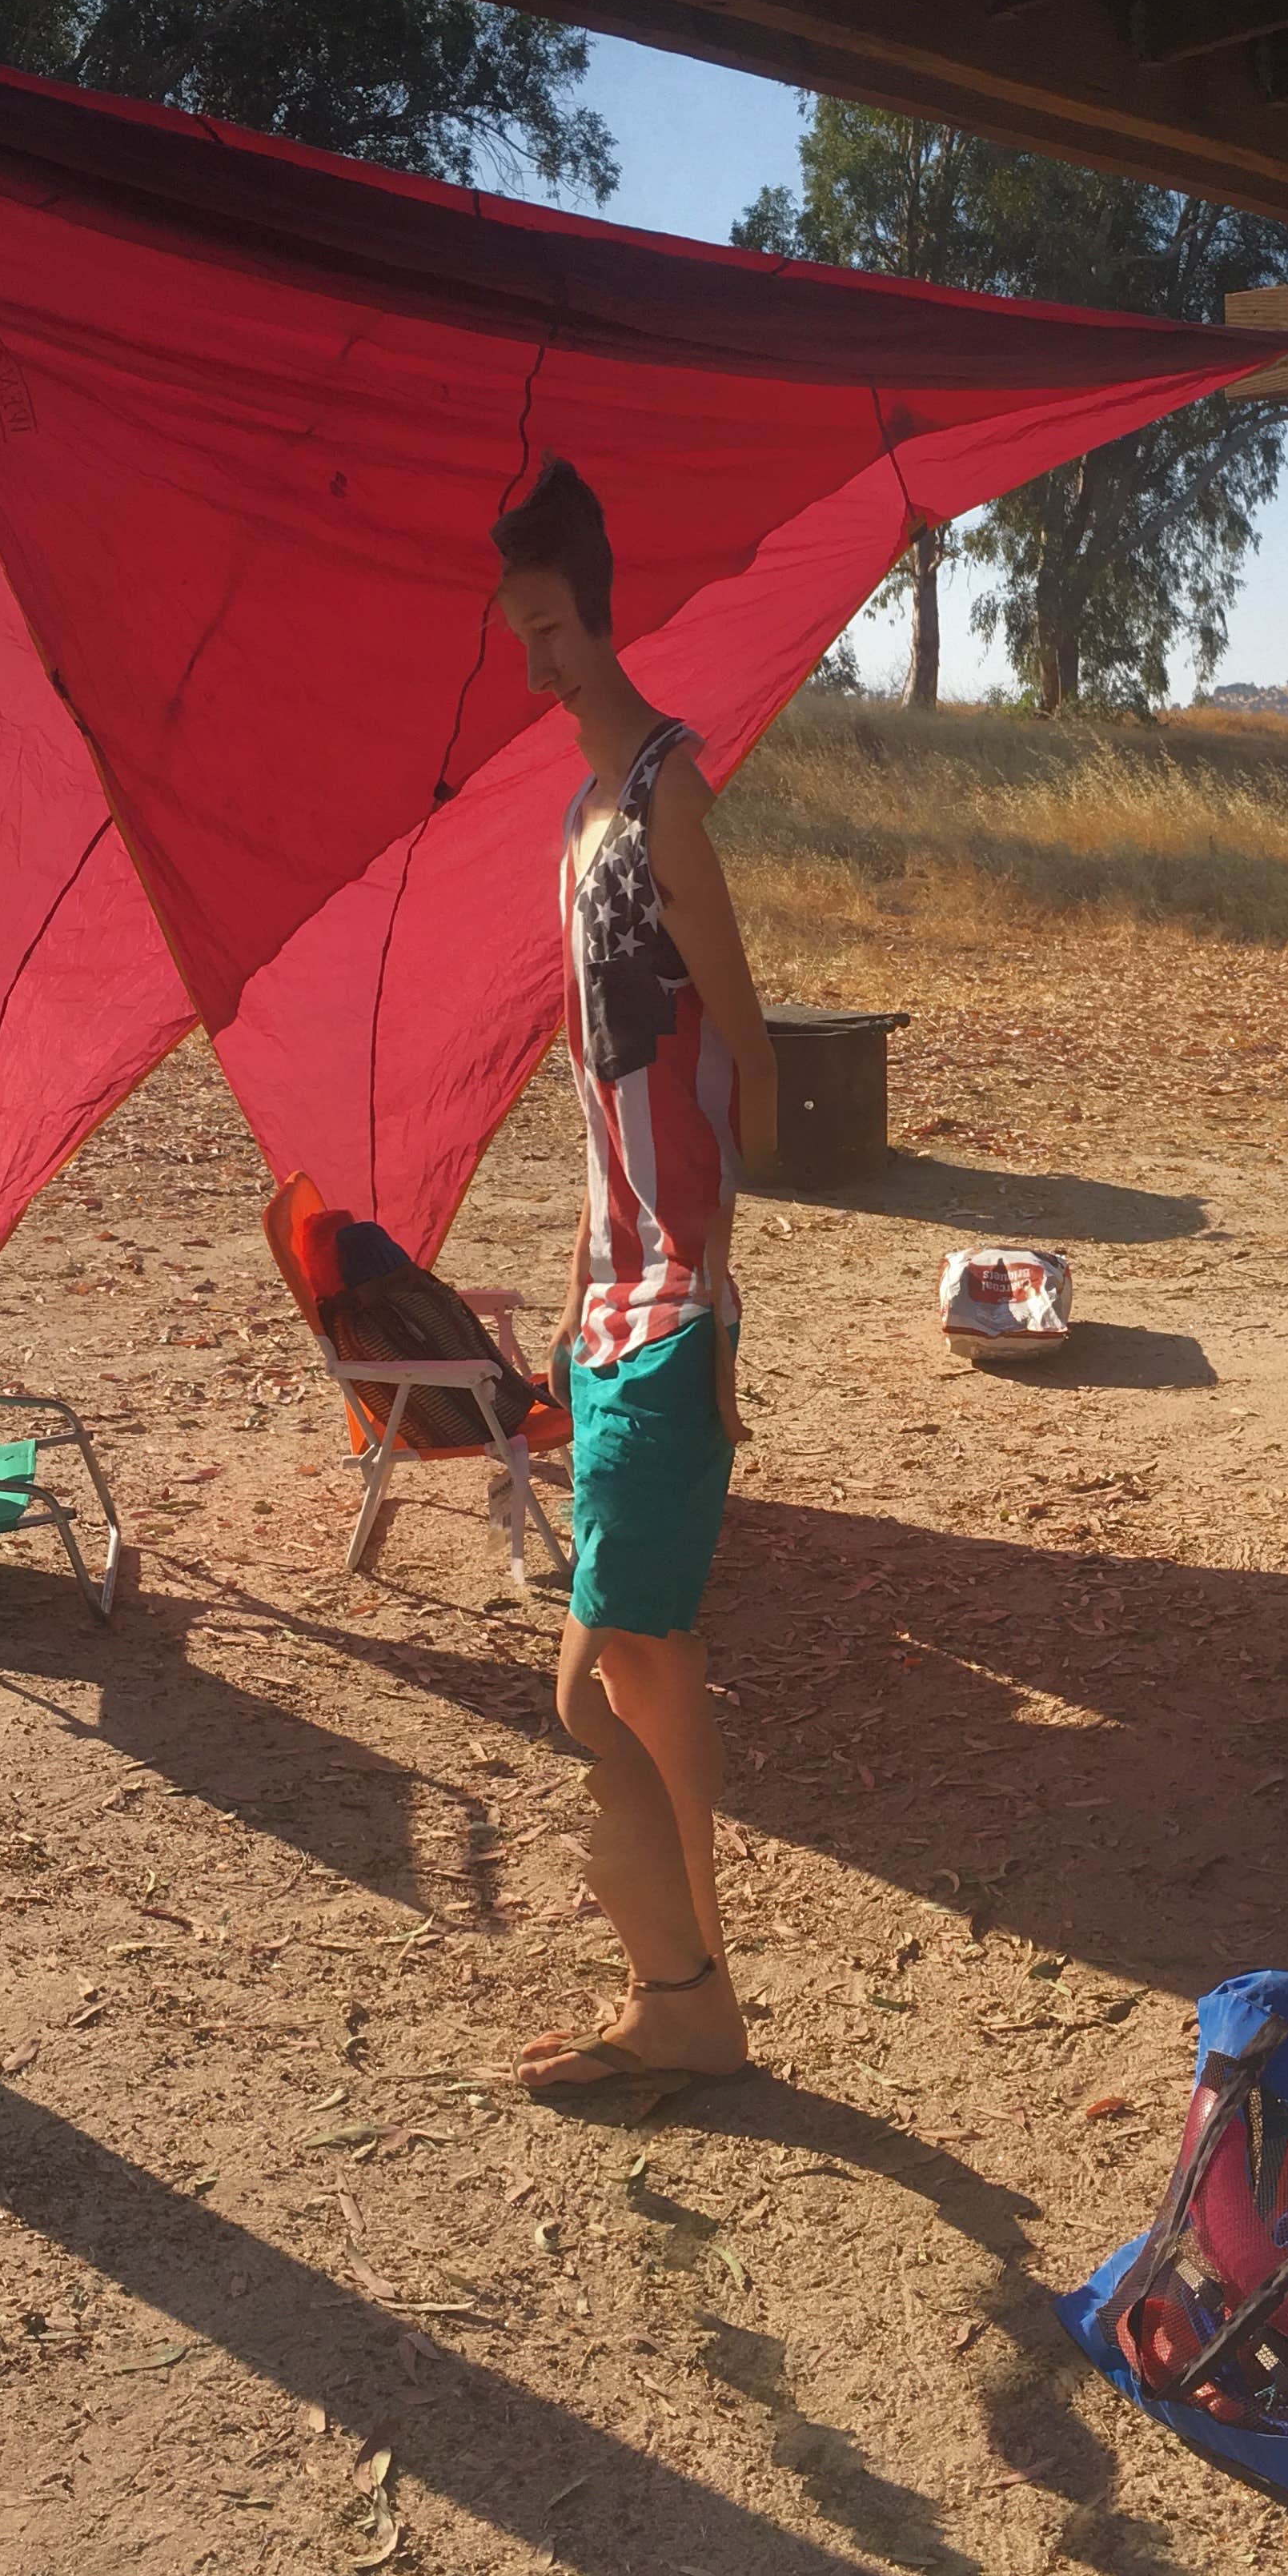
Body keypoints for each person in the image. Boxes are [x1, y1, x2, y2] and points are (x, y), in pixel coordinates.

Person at [488, 460, 779, 2101]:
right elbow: (598, 1099)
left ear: (600, 617)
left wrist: (716, 1293)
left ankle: (684, 1993)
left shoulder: (666, 793)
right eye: (516, 635)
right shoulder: (578, 817)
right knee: (645, 1665)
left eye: (548, 630)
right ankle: (688, 1989)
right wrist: (592, 1281)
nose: (533, 667)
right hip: (610, 1300)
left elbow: (740, 1046)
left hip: (670, 1309)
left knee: (598, 1680)